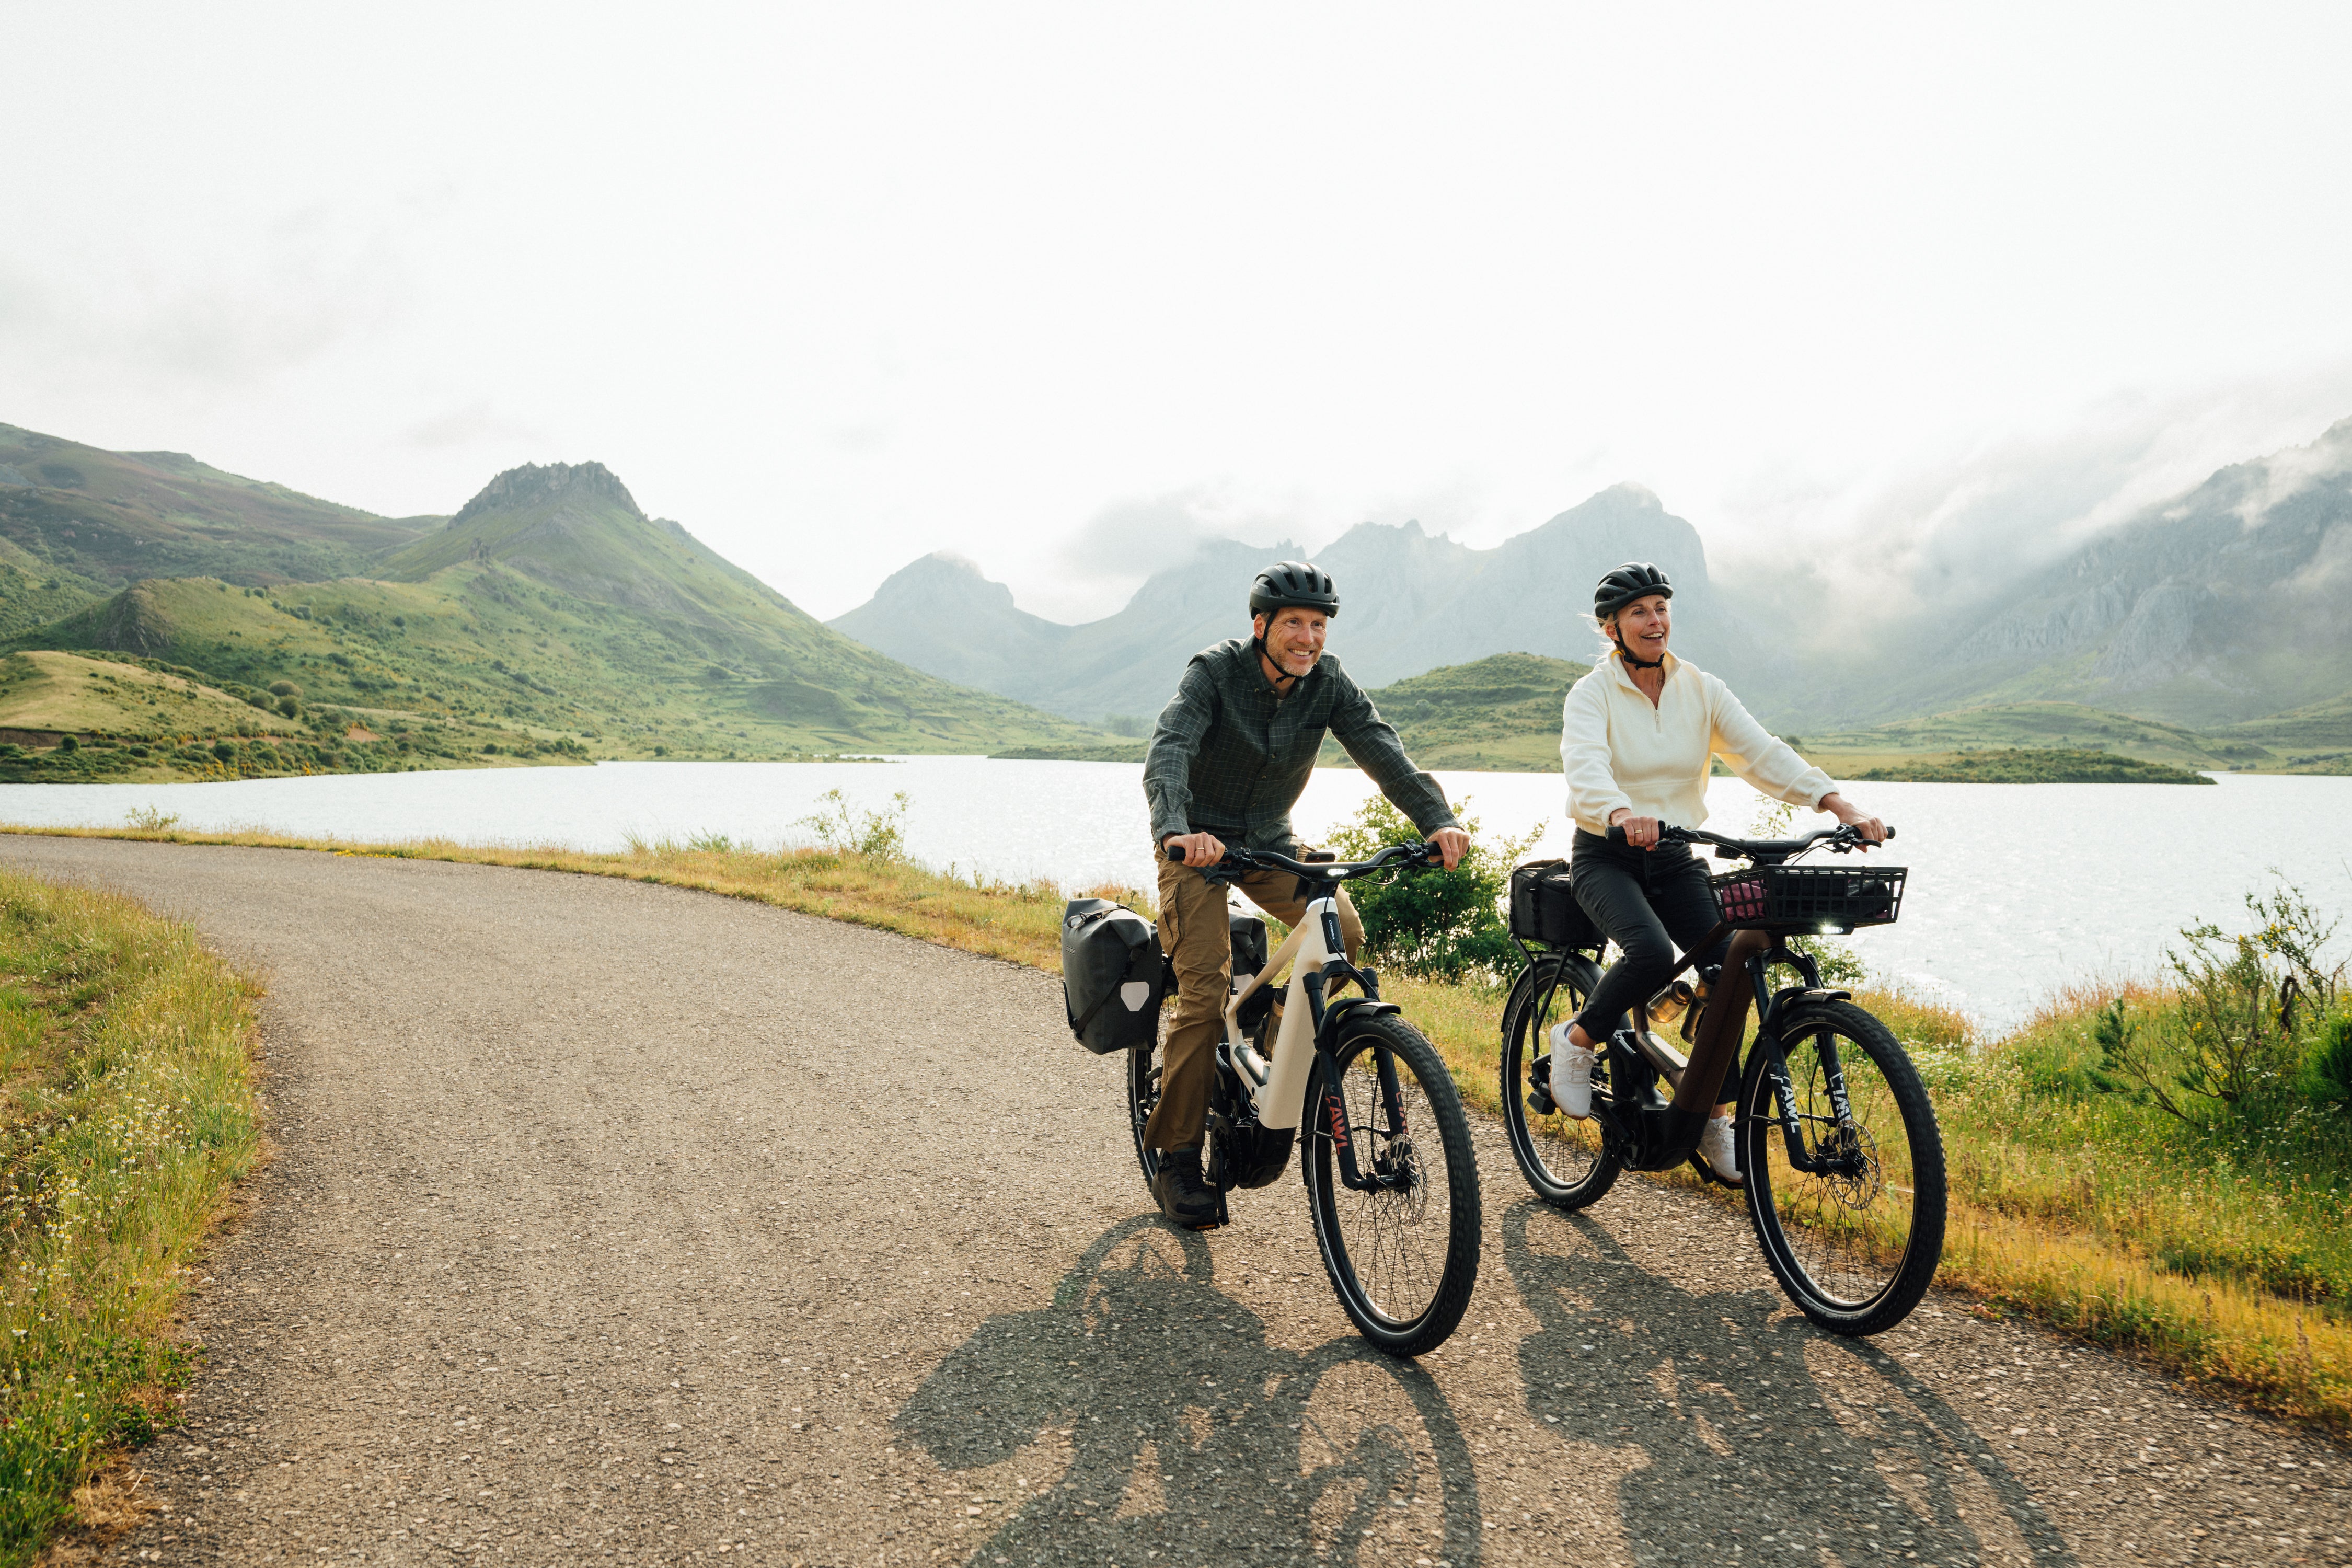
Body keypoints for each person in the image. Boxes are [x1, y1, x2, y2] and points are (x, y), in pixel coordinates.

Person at [1142, 561, 1472, 1227]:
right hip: (1199, 847)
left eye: (1318, 625)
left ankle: (1270, 1030)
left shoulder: (1328, 682)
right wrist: (1178, 830)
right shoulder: (1214, 672)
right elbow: (1170, 747)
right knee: (1205, 993)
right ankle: (1175, 1156)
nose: (1308, 638)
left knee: (1342, 932)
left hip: (1271, 843)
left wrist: (1436, 817)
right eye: (1294, 623)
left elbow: (1380, 746)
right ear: (1261, 625)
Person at [1551, 561, 1887, 1185]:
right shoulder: (1590, 694)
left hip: (1676, 855)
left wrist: (1838, 804)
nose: (1655, 622)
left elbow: (1761, 752)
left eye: (1661, 608)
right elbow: (1585, 763)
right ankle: (1576, 1039)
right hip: (1607, 852)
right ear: (1611, 628)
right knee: (1650, 953)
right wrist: (1621, 811)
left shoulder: (1701, 687)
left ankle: (1712, 1115)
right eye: (1639, 613)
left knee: (1728, 967)